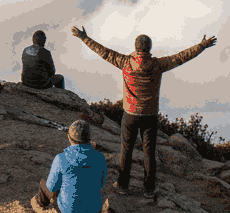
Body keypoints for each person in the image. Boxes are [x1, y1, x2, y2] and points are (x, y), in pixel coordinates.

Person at [73, 25, 217, 199]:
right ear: (149, 48)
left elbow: (103, 52)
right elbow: (181, 57)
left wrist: (84, 37)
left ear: (135, 48)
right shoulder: (158, 64)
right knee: (149, 152)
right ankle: (149, 189)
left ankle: (122, 184)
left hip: (130, 114)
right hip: (150, 115)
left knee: (126, 150)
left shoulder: (125, 62)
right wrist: (202, 46)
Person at [32, 120, 106, 213]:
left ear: (70, 138)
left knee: (45, 182)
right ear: (89, 138)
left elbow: (51, 188)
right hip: (94, 211)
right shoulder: (100, 157)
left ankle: (41, 205)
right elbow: (101, 184)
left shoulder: (61, 158)